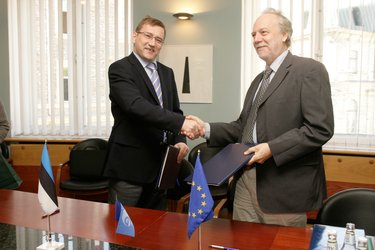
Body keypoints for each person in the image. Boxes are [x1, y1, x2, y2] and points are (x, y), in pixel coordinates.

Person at [187, 8, 334, 227]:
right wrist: (205, 128)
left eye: (263, 32)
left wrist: (271, 148)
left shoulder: (309, 70)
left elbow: (319, 129)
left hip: (283, 188)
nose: (257, 39)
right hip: (245, 183)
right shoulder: (258, 80)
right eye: (253, 35)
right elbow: (242, 127)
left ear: (285, 35)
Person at [103, 16, 199, 210]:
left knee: (155, 231)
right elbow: (136, 106)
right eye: (148, 36)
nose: (152, 43)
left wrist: (180, 140)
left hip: (162, 168)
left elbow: (175, 111)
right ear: (134, 36)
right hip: (129, 168)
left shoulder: (167, 73)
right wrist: (181, 123)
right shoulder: (120, 69)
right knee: (122, 231)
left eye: (159, 39)